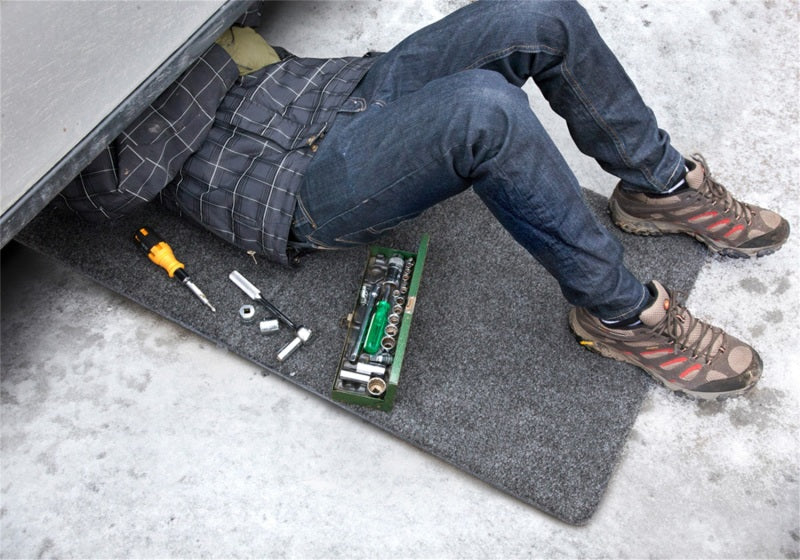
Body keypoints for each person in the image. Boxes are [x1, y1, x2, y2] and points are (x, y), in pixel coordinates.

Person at [58, 1, 789, 401]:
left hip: (327, 92)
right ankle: (623, 314)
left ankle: (658, 186)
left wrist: (210, 63)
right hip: (284, 186)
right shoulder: (44, 98)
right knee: (485, 111)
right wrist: (218, 59)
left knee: (542, 14)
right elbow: (110, 187)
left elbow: (231, 40)